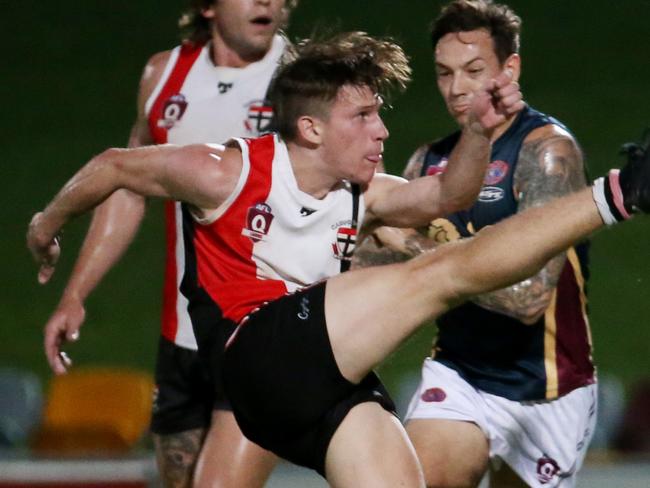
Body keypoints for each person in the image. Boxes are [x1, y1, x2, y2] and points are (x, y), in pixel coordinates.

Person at [30, 31, 649, 488]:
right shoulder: (226, 170)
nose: (383, 131)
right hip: (255, 355)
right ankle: (624, 193)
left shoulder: (363, 193)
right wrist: (45, 224)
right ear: (311, 129)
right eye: (364, 115)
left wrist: (480, 134)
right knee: (439, 272)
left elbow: (446, 195)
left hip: (320, 383)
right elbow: (115, 164)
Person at [36, 1, 298, 486]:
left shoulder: (301, 80)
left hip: (263, 335)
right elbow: (130, 186)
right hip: (183, 336)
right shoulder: (164, 76)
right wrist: (75, 293)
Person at [354, 1, 594, 486]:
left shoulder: (547, 153)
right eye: (444, 73)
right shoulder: (431, 162)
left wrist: (416, 249)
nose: (457, 88)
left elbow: (529, 299)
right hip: (460, 375)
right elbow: (372, 272)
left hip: (548, 387)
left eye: (473, 71)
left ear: (511, 69)